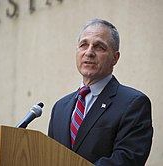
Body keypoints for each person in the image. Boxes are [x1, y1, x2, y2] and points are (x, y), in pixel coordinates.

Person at [48, 18, 153, 166]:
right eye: (83, 45)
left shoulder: (134, 103)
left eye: (99, 47)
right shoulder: (60, 108)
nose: (89, 52)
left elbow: (127, 160)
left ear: (115, 58)